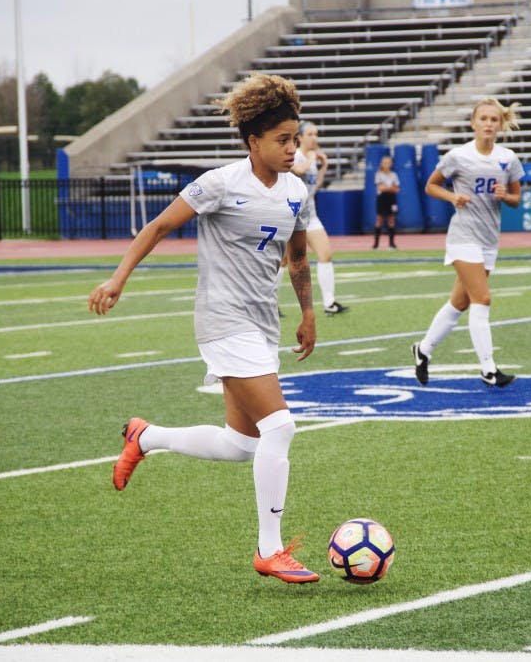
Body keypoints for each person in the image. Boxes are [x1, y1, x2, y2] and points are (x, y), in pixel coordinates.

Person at [87, 74, 320, 584]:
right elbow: (158, 227)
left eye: (295, 137)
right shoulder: (219, 183)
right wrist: (118, 277)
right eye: (282, 139)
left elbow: (297, 255)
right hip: (221, 320)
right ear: (252, 141)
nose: (292, 148)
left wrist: (307, 312)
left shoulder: (297, 190)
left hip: (261, 325)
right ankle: (270, 549)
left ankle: (146, 438)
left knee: (244, 445)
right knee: (281, 427)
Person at [411, 97, 524, 388]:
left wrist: (505, 196)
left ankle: (423, 350)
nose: (488, 124)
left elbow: (516, 199)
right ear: (473, 123)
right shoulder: (458, 156)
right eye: (483, 119)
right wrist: (453, 197)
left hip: (489, 238)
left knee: (460, 302)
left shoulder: (508, 157)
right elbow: (431, 185)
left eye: (493, 119)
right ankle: (488, 369)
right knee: (482, 299)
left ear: (500, 124)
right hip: (463, 235)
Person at [277, 121, 349, 315]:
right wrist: (310, 158)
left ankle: (329, 303)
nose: (314, 138)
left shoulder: (311, 158)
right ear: (299, 137)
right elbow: (299, 171)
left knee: (325, 254)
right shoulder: (295, 155)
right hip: (292, 216)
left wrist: (323, 167)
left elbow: (313, 187)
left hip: (310, 215)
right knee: (282, 261)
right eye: (309, 134)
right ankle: (269, 302)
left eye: (316, 134)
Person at [373, 155, 400, 250]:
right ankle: (376, 244)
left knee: (391, 220)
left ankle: (391, 244)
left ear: (391, 164)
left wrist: (387, 188)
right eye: (384, 163)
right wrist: (390, 188)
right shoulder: (378, 174)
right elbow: (380, 188)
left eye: (388, 163)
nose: (386, 165)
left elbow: (397, 189)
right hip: (382, 198)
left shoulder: (394, 175)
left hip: (391, 199)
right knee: (379, 219)